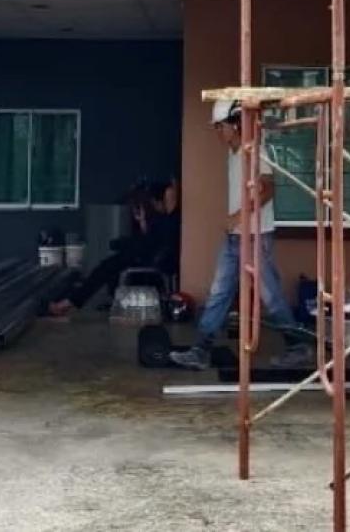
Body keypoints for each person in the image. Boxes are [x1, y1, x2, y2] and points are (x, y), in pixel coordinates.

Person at [168, 101, 307, 370]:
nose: (217, 132)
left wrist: (238, 217)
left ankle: (298, 346)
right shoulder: (233, 154)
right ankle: (201, 350)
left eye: (220, 126)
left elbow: (268, 189)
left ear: (235, 125)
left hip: (255, 236)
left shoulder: (254, 150)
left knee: (271, 297)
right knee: (219, 292)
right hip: (236, 237)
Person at [48, 178, 180, 316]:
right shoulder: (160, 220)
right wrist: (141, 220)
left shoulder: (168, 219)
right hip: (144, 250)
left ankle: (68, 303)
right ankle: (71, 302)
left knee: (106, 267)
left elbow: (155, 238)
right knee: (108, 264)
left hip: (151, 254)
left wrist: (143, 220)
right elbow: (148, 236)